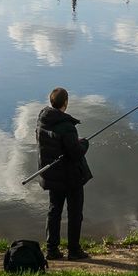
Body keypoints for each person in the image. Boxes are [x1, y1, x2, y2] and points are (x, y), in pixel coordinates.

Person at [36, 87, 92, 260]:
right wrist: (84, 144)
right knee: (75, 213)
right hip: (70, 177)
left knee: (54, 211)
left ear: (51, 101)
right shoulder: (67, 126)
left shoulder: (42, 121)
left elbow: (54, 146)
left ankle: (52, 250)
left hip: (53, 175)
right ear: (66, 103)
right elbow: (75, 153)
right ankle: (74, 250)